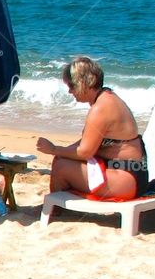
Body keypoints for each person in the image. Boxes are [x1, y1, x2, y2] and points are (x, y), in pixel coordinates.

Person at [36, 57, 148, 198]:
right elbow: (88, 142)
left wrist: (53, 149)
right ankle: (59, 207)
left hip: (126, 179)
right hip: (133, 173)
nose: (70, 91)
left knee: (61, 166)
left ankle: (56, 210)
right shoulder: (108, 97)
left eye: (72, 85)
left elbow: (85, 152)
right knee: (62, 159)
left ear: (85, 82)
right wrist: (60, 151)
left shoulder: (101, 108)